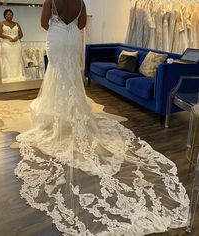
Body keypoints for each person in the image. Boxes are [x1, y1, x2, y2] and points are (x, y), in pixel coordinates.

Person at [14, 1, 189, 235]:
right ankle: (72, 110)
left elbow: (44, 23)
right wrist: (70, 24)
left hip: (57, 37)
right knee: (71, 75)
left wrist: (59, 24)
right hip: (73, 37)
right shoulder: (80, 1)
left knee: (56, 72)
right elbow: (83, 23)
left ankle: (58, 111)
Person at [0, 9, 26, 82]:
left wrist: (17, 37)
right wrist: (8, 37)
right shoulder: (1, 23)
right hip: (6, 44)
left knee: (17, 59)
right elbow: (0, 35)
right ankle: (8, 76)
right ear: (5, 15)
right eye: (7, 14)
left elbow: (21, 34)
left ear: (13, 15)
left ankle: (18, 75)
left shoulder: (17, 24)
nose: (9, 15)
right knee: (7, 59)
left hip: (17, 44)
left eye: (11, 14)